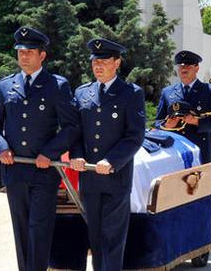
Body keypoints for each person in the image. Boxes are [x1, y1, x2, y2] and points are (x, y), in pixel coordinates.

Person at [0, 27, 79, 271]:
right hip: (16, 171)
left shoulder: (57, 85)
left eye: (29, 52)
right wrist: (1, 147)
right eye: (20, 52)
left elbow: (70, 127)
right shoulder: (7, 86)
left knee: (39, 228)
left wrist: (49, 152)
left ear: (42, 56)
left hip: (43, 172)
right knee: (21, 227)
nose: (23, 56)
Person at [69, 38, 145, 271]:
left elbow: (134, 136)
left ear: (117, 63)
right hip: (90, 179)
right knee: (96, 237)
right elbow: (75, 132)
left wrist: (111, 160)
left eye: (103, 61)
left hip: (115, 177)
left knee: (112, 237)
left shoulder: (130, 93)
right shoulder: (82, 93)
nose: (98, 66)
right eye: (94, 62)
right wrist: (77, 155)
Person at [156, 50, 211, 164]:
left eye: (188, 65)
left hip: (199, 149)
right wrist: (165, 125)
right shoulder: (168, 92)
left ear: (197, 68)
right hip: (175, 150)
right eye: (181, 66)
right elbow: (158, 121)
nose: (183, 68)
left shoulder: (209, 91)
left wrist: (197, 121)